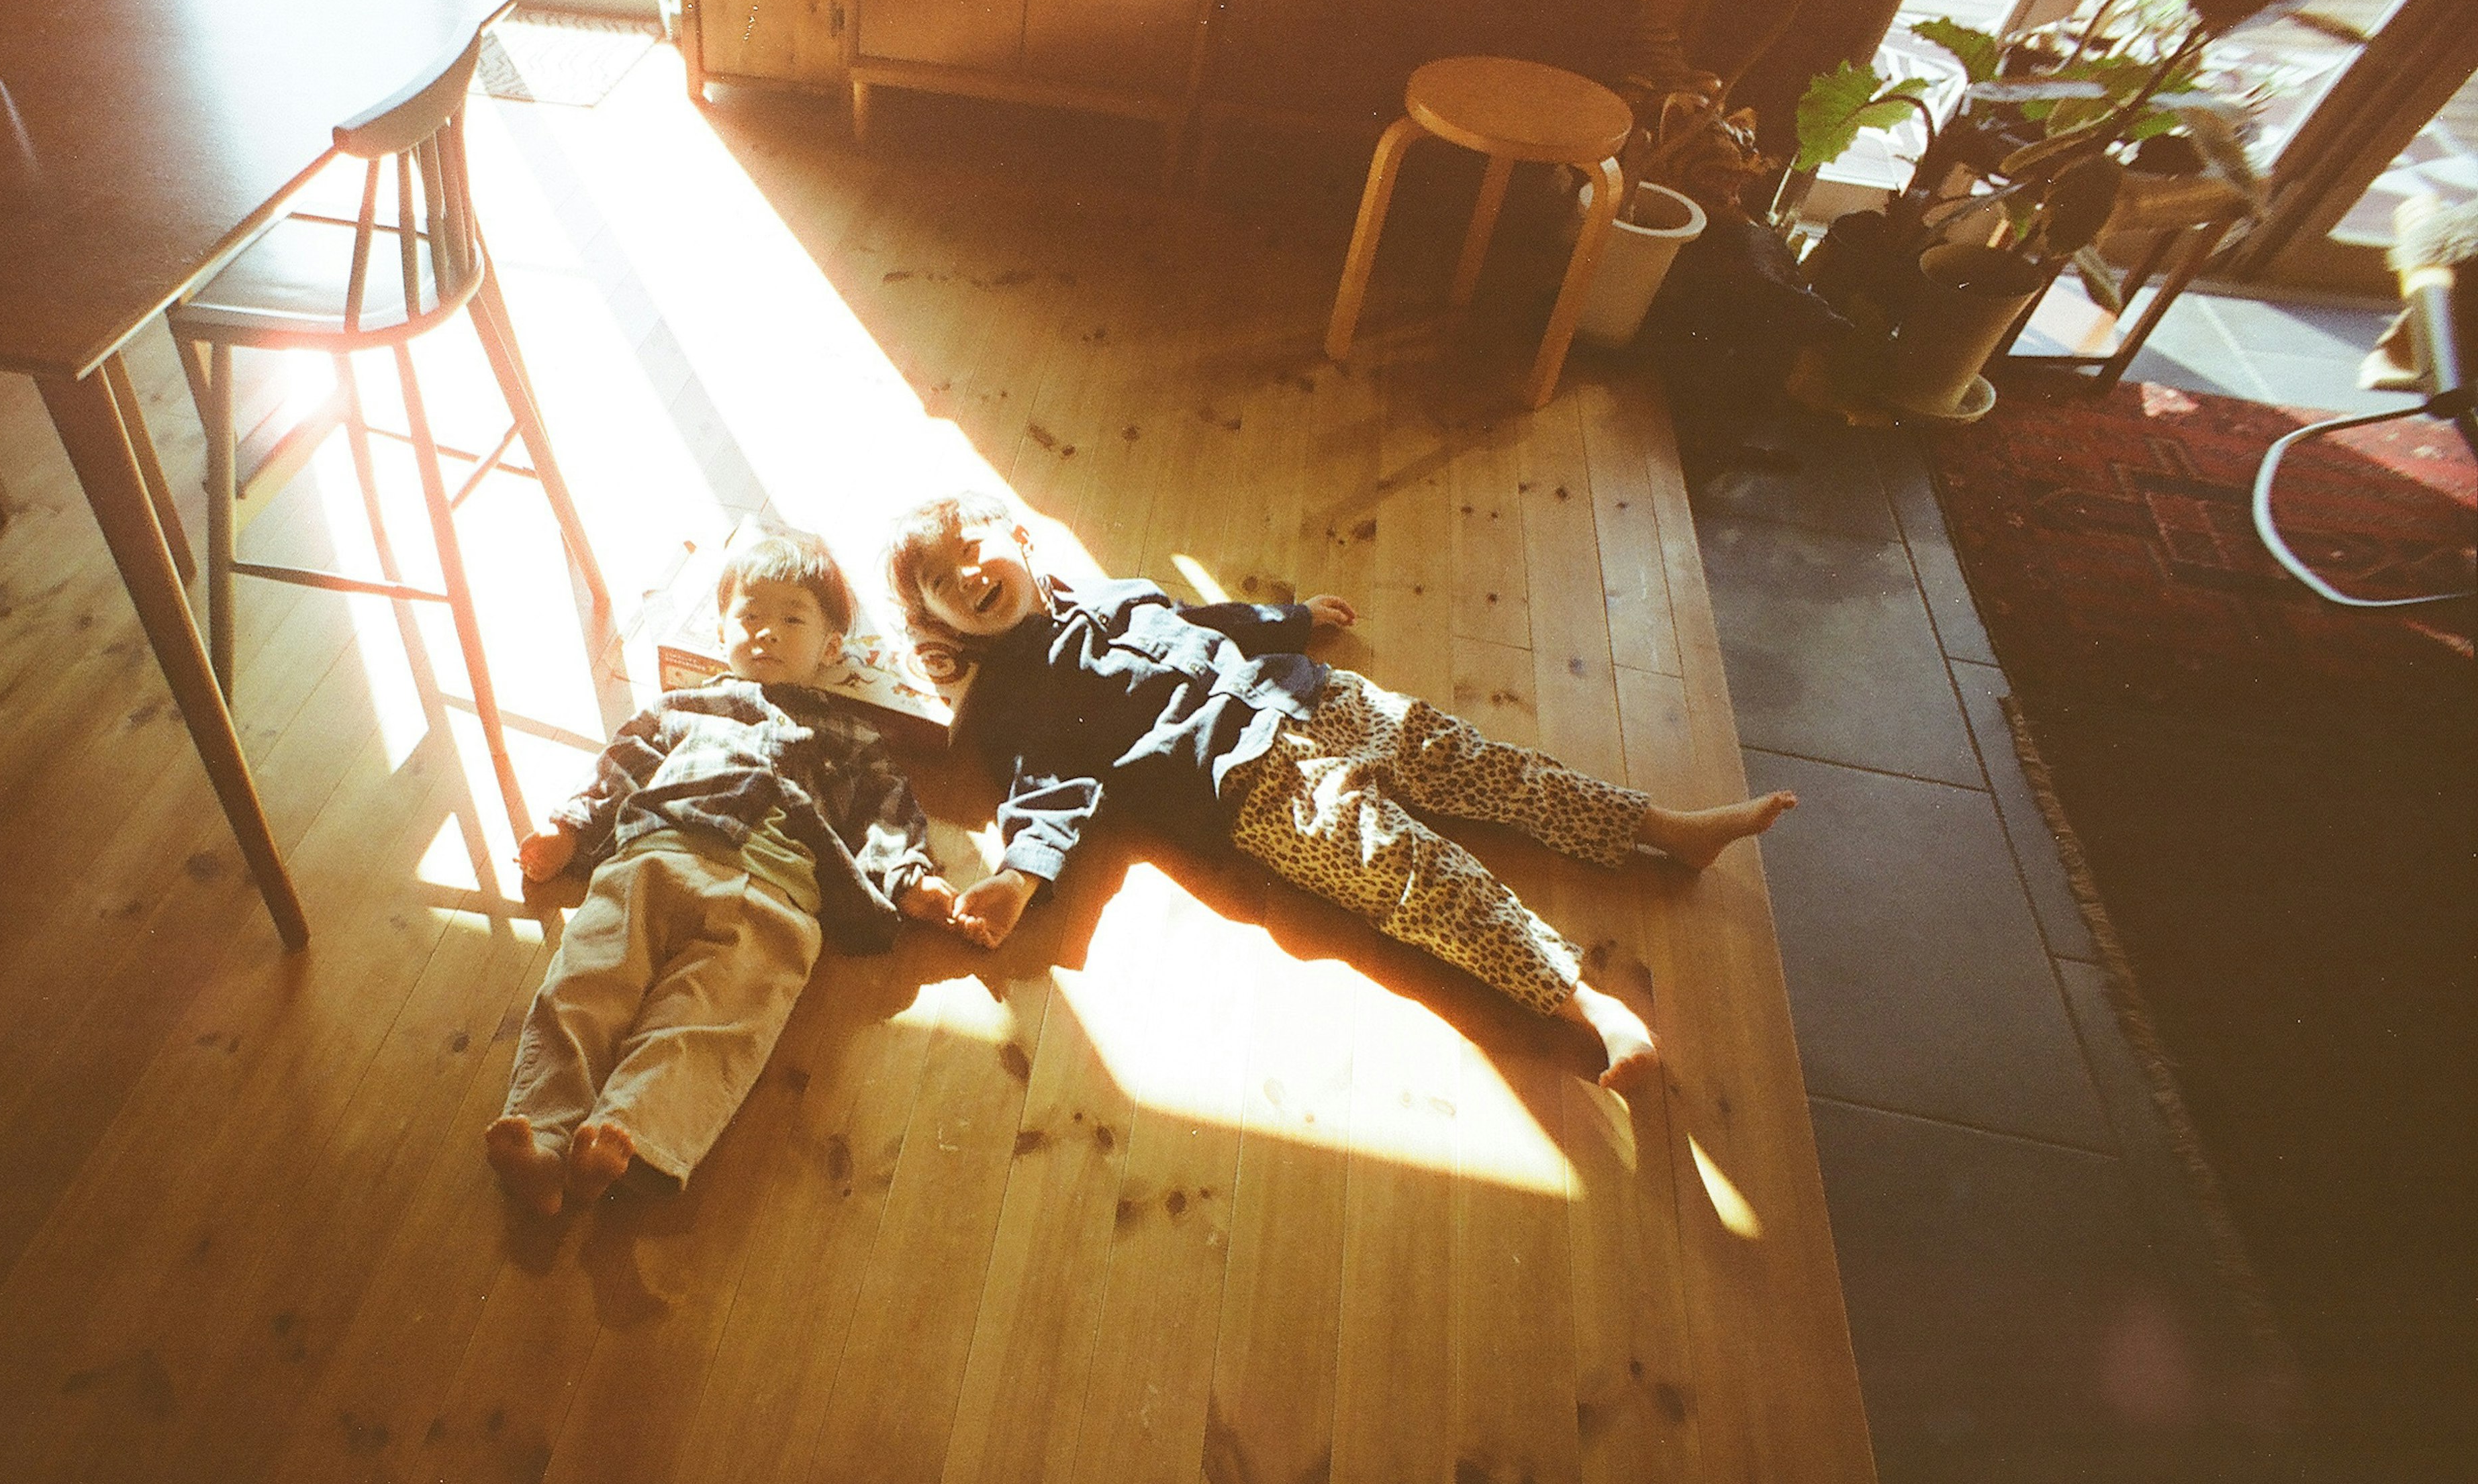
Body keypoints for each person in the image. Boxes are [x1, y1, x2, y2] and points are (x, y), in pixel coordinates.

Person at [886, 493, 1796, 1089]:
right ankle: (1586, 1004)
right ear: (941, 621)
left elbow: (1210, 621)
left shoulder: (1118, 595)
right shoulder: (1017, 696)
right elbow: (1049, 788)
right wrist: (1018, 879)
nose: (969, 575)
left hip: (1313, 697)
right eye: (942, 584)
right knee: (1419, 878)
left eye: (974, 548)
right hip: (1258, 791)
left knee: (1481, 762)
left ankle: (1659, 826)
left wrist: (1293, 620)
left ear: (1018, 538)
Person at [487, 526, 959, 1214]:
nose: (766, 633)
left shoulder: (854, 736)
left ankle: (624, 1136)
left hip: (771, 893)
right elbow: (621, 764)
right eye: (750, 617)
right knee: (587, 983)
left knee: (712, 1020)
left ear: (832, 648)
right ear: (721, 630)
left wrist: (909, 877)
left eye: (792, 619)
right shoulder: (683, 706)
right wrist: (569, 826)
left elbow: (888, 812)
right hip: (655, 853)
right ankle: (543, 1136)